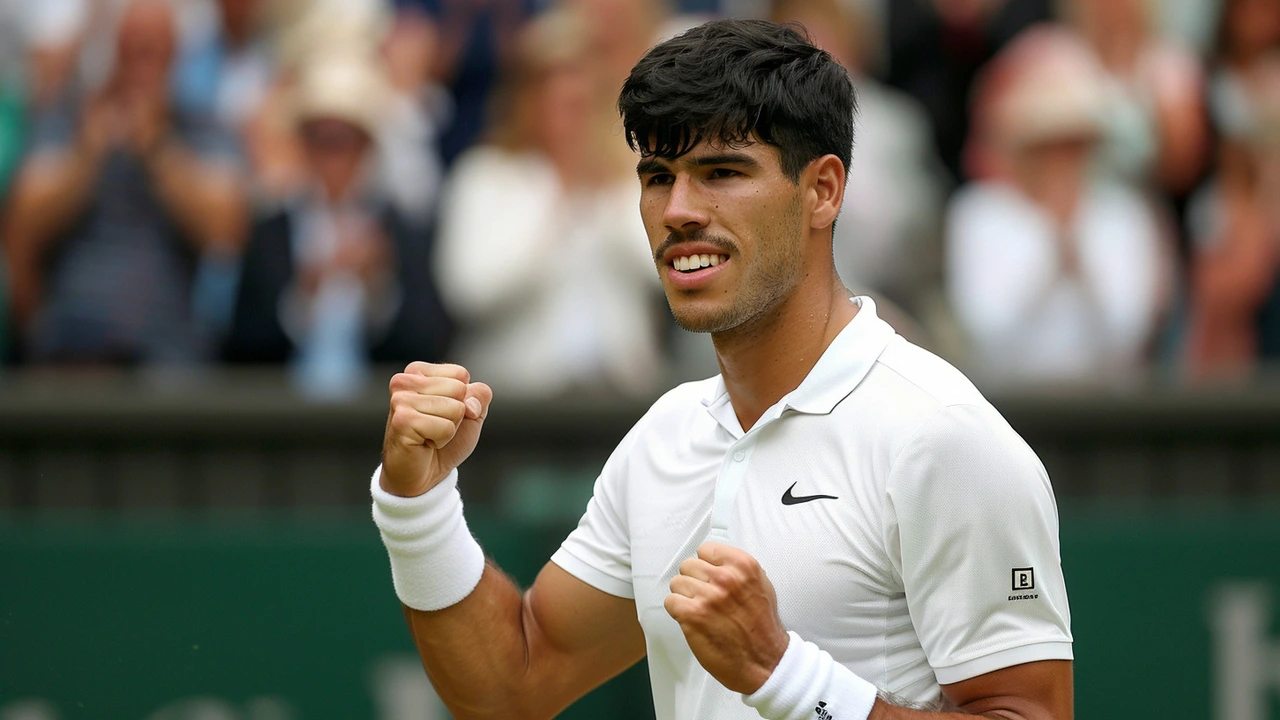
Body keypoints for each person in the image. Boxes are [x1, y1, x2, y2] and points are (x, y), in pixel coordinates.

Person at [371, 19, 1072, 720]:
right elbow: (512, 686)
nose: (677, 211)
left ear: (823, 191)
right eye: (656, 177)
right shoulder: (664, 439)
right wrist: (418, 507)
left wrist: (785, 675)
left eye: (722, 173)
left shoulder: (943, 436)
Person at [3, 0, 245, 364]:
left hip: (167, 353)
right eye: (131, 46)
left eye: (152, 48)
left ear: (175, 51)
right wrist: (86, 156)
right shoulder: (68, 118)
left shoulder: (202, 126)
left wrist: (157, 149)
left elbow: (227, 230)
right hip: (70, 348)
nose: (140, 60)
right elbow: (23, 222)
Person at [948, 27, 1169, 386]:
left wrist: (1076, 250)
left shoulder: (1125, 216)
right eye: (1048, 145)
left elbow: (1130, 333)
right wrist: (1053, 248)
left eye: (1073, 145)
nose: (1061, 161)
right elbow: (986, 329)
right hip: (1012, 404)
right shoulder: (979, 213)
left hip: (1107, 405)